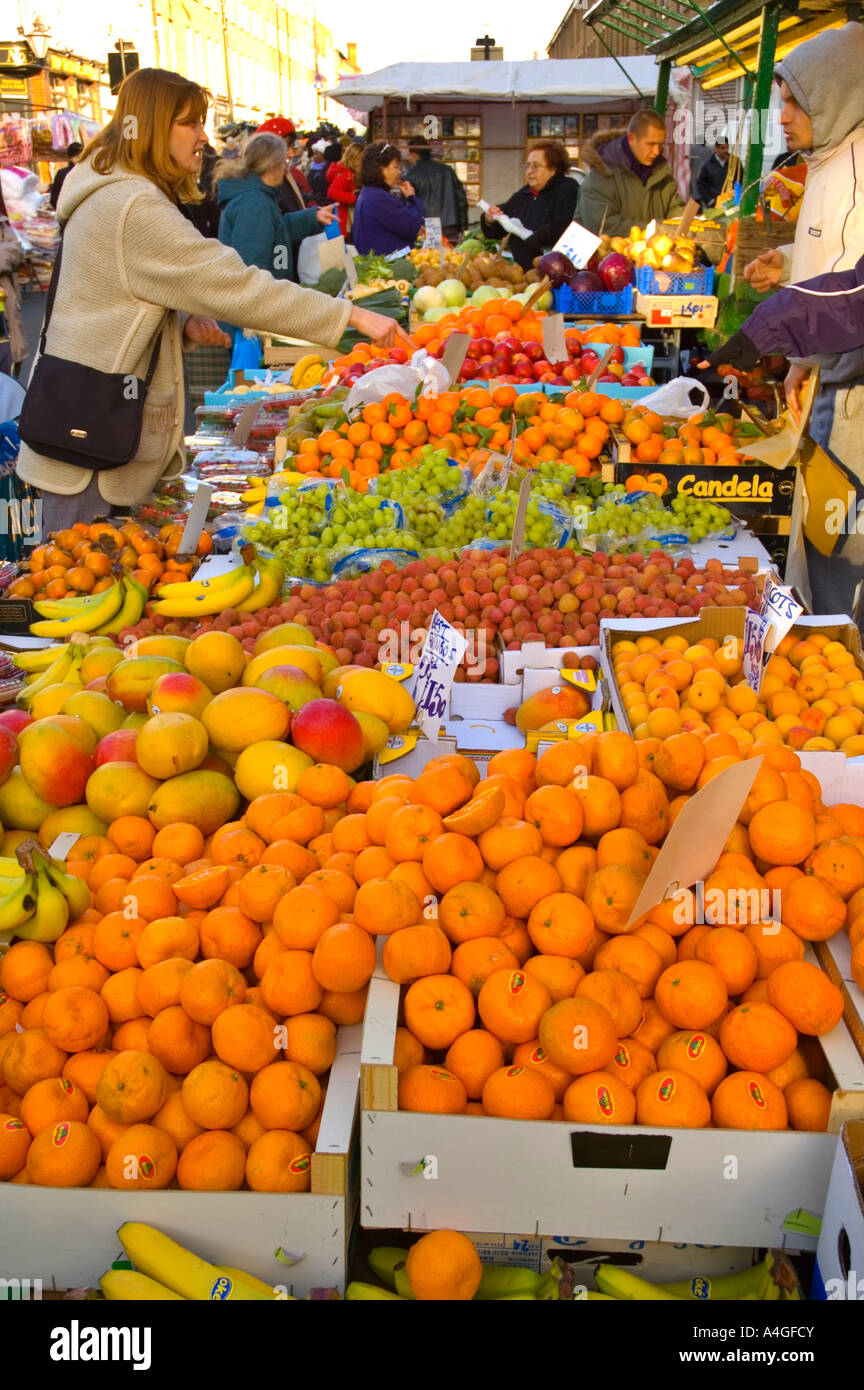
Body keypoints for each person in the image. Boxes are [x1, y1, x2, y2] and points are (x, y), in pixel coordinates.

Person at [15, 67, 401, 531]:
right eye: (190, 123)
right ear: (155, 127)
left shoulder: (115, 191)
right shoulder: (133, 204)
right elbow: (236, 285)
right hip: (92, 447)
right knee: (79, 582)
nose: (203, 136)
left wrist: (176, 324)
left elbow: (102, 298)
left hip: (89, 426)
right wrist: (350, 315)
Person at [743, 22, 864, 612]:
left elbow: (854, 290)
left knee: (843, 550)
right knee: (819, 542)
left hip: (855, 393)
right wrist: (787, 262)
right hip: (828, 375)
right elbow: (835, 261)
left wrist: (785, 338)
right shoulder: (827, 158)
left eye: (796, 100)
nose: (784, 116)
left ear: (838, 94)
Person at [578, 110, 685, 237]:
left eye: (660, 144)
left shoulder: (664, 178)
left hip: (657, 255)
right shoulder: (599, 178)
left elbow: (678, 217)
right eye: (651, 144)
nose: (656, 151)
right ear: (632, 139)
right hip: (608, 256)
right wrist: (659, 229)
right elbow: (604, 228)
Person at [480, 140, 579, 272]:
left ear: (553, 170)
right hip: (523, 274)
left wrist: (535, 238)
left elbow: (567, 223)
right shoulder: (523, 194)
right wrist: (490, 218)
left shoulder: (567, 189)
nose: (529, 171)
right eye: (527, 166)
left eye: (536, 166)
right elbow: (504, 219)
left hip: (556, 272)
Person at [352, 142, 424, 256]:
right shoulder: (379, 198)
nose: (399, 172)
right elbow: (411, 227)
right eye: (395, 167)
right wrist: (411, 198)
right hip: (387, 264)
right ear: (381, 169)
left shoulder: (368, 192)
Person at [404, 135, 468, 242]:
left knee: (427, 258)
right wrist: (463, 227)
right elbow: (461, 200)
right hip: (450, 226)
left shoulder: (411, 176)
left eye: (409, 155)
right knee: (452, 257)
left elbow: (409, 206)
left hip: (426, 228)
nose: (408, 158)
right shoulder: (448, 170)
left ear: (414, 154)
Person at [257, 116, 315, 212]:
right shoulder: (262, 185)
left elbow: (299, 194)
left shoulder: (284, 175)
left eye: (292, 147)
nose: (292, 154)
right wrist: (310, 217)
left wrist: (313, 207)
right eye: (287, 148)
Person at [326, 141, 362, 237]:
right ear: (355, 159)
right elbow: (331, 192)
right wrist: (353, 198)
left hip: (347, 219)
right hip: (345, 220)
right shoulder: (347, 174)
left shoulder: (350, 173)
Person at [694, 138, 730, 210]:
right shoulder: (707, 166)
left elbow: (740, 181)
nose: (725, 150)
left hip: (730, 204)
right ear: (716, 148)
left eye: (727, 147)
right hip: (713, 206)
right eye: (722, 148)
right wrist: (710, 201)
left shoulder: (734, 163)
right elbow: (700, 185)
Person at [49, 142, 82, 210]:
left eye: (83, 156)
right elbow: (55, 198)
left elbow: (54, 200)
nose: (81, 160)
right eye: (78, 157)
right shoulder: (63, 174)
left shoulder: (87, 171)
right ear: (71, 158)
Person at [307, 138, 332, 203]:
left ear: (324, 156)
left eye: (316, 154)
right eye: (314, 153)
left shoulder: (328, 169)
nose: (314, 156)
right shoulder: (312, 167)